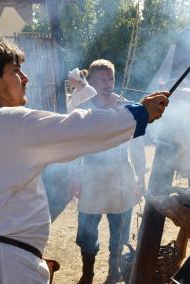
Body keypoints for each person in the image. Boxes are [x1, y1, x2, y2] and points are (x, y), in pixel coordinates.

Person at [0, 37, 169, 284]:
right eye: (15, 71)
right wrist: (139, 114)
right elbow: (78, 129)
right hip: (10, 265)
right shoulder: (13, 123)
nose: (25, 78)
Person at [71, 59, 146, 284]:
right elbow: (74, 145)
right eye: (102, 79)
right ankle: (87, 274)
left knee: (120, 232)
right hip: (91, 177)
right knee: (87, 234)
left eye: (111, 78)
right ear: (91, 81)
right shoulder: (83, 109)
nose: (108, 83)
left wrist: (140, 176)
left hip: (121, 176)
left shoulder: (128, 107)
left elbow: (137, 144)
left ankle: (114, 272)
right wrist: (74, 176)